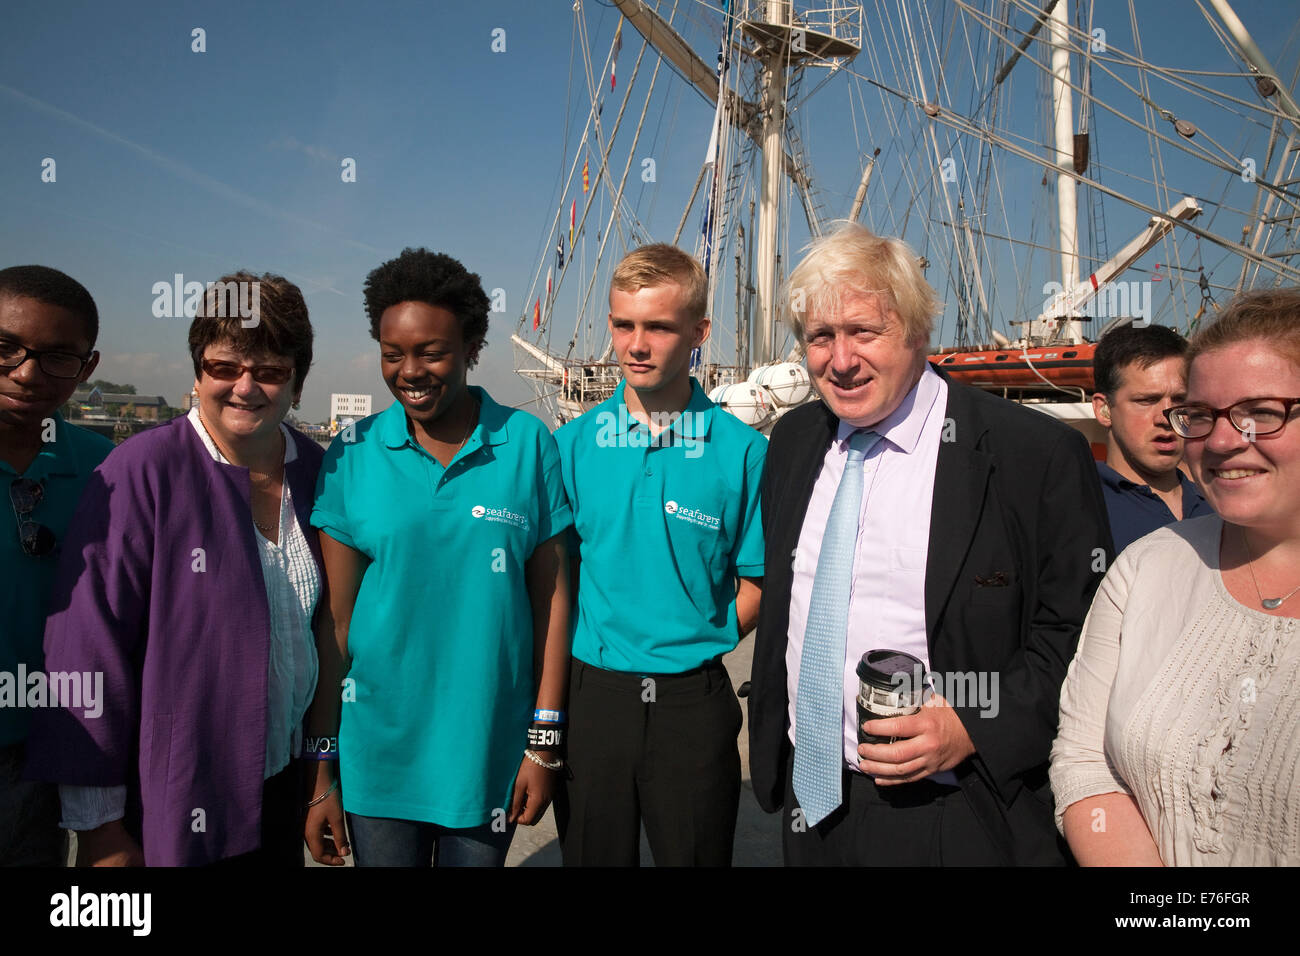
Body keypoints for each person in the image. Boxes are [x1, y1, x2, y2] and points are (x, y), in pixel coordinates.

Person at [748, 222, 1112, 866]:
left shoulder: (1032, 456)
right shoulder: (794, 442)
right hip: (814, 801)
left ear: (918, 331)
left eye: (864, 331)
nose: (840, 359)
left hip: (958, 809)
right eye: (820, 337)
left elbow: (1080, 638)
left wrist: (974, 723)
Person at [26, 273, 324, 866]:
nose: (245, 387)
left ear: (297, 379)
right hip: (176, 790)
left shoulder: (319, 471)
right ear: (197, 372)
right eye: (225, 367)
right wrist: (101, 828)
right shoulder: (140, 471)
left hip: (285, 783)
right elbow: (87, 649)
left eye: (269, 371)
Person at [304, 248, 570, 868]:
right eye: (392, 353)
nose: (410, 371)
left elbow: (552, 602)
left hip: (488, 750)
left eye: (431, 352)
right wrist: (322, 768)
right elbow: (336, 626)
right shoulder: (354, 453)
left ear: (473, 346)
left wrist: (544, 742)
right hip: (379, 752)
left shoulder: (527, 443)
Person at [1052, 288, 1300, 865]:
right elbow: (1085, 758)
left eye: (1261, 413)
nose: (1218, 441)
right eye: (1203, 415)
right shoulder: (1145, 566)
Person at [552, 243, 766, 866]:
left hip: (692, 703)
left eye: (658, 327)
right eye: (624, 325)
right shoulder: (571, 446)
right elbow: (555, 578)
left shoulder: (743, 452)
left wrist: (704, 633)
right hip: (592, 699)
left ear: (699, 331)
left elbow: (759, 580)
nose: (636, 345)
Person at [0, 266, 113, 866]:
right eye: (4, 348)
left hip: (51, 749)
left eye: (56, 357)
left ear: (87, 368)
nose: (25, 373)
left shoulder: (106, 469)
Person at [1092, 323, 1212, 552]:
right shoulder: (1076, 509)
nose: (1166, 417)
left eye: (1180, 400)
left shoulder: (1220, 507)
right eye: (1146, 400)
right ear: (1104, 410)